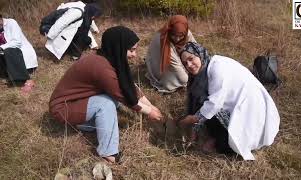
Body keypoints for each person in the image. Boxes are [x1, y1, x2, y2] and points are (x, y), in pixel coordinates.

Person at [49, 26, 163, 163]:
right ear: (119, 47)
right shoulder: (101, 67)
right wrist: (150, 112)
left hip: (79, 102)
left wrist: (151, 105)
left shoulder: (108, 58)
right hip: (63, 108)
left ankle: (86, 124)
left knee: (110, 101)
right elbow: (125, 97)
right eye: (131, 50)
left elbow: (129, 85)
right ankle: (108, 153)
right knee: (106, 104)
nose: (135, 55)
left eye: (135, 50)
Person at [178, 42, 280, 160]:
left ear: (199, 54)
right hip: (241, 104)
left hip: (252, 114)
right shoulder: (208, 64)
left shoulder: (217, 69)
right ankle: (217, 133)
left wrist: (191, 120)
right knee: (203, 102)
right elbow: (196, 97)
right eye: (185, 63)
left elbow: (214, 104)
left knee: (225, 143)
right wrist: (194, 124)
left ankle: (220, 140)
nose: (189, 65)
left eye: (191, 59)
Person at [145, 15, 196, 93]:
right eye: (173, 35)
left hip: (176, 60)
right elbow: (177, 68)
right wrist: (189, 78)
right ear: (170, 30)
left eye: (180, 36)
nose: (177, 39)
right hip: (160, 63)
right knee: (183, 79)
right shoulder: (162, 38)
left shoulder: (186, 33)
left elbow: (195, 48)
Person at [0, 14, 38, 93]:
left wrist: (1, 47)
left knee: (9, 50)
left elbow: (17, 42)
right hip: (7, 60)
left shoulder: (11, 23)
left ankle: (28, 81)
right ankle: (7, 75)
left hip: (19, 56)